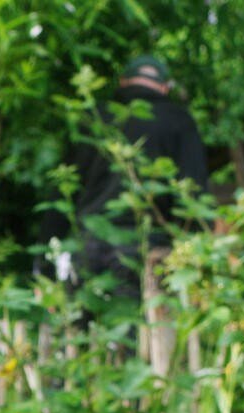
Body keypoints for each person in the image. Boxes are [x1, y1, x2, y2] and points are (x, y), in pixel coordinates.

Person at [57, 55, 210, 293]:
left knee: (84, 326)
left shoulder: (94, 118)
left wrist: (46, 261)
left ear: (123, 81)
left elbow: (63, 188)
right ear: (164, 87)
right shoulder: (178, 121)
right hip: (147, 250)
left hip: (87, 246)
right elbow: (193, 192)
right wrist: (197, 254)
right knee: (143, 327)